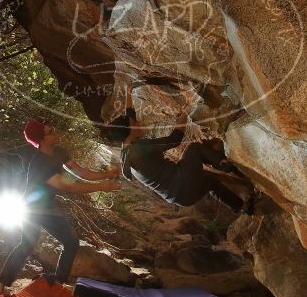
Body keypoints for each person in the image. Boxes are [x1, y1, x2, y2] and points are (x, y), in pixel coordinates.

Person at [0, 119, 121, 295]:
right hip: (31, 207)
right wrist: (101, 186)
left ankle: (58, 283)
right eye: (50, 132)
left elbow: (80, 172)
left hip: (47, 205)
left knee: (71, 242)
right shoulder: (39, 162)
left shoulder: (59, 152)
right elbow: (67, 185)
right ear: (42, 139)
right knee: (27, 244)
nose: (55, 132)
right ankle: (0, 286)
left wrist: (106, 174)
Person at [103, 84, 253, 214]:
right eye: (134, 123)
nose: (138, 123)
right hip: (183, 183)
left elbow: (129, 116)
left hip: (181, 198)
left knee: (209, 181)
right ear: (129, 129)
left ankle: (241, 207)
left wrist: (128, 93)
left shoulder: (126, 152)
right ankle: (227, 165)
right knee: (194, 148)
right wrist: (185, 115)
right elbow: (174, 140)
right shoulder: (138, 149)